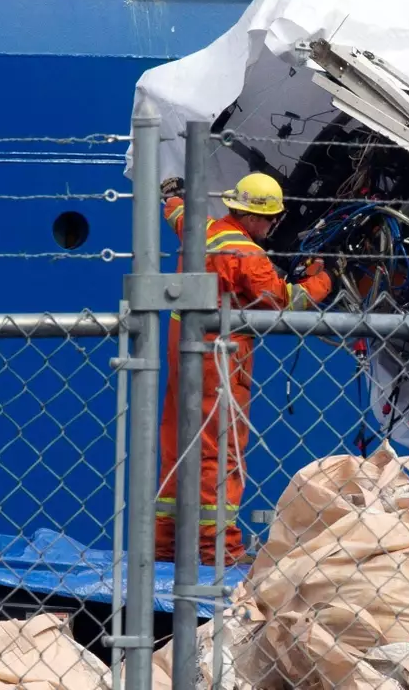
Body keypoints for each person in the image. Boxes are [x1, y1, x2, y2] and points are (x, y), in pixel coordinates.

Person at [154, 171, 332, 566]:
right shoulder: (247, 254)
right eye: (270, 219)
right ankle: (220, 550)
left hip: (182, 347)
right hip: (221, 357)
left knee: (176, 448)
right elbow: (284, 302)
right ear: (254, 217)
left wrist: (171, 196)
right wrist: (322, 280)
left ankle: (164, 548)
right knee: (221, 452)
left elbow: (176, 212)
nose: (272, 227)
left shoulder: (202, 227)